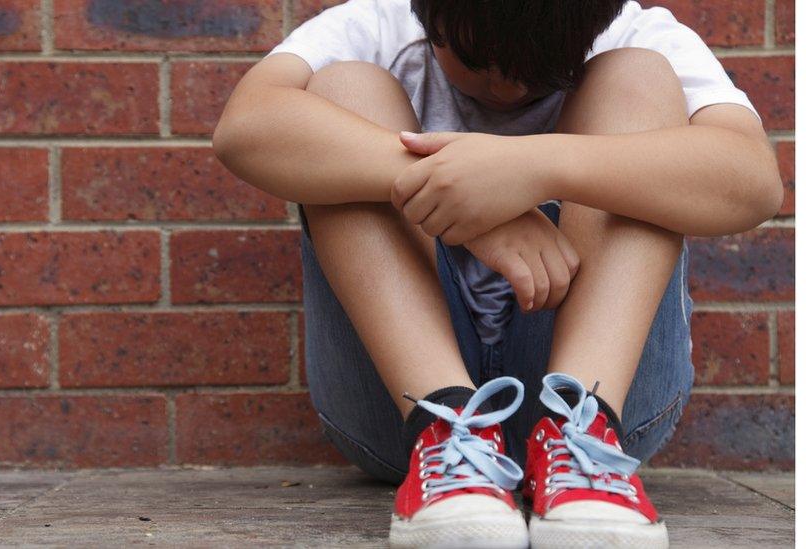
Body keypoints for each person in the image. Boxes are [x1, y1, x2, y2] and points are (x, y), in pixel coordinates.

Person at [213, 1, 782, 547]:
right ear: (428, 15)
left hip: (607, 399)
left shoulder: (637, 33)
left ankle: (579, 432)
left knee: (638, 79)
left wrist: (536, 167)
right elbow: (245, 127)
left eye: (540, 71)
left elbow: (754, 181)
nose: (507, 88)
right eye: (478, 61)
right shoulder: (373, 26)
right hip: (398, 414)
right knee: (344, 89)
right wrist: (449, 192)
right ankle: (447, 426)